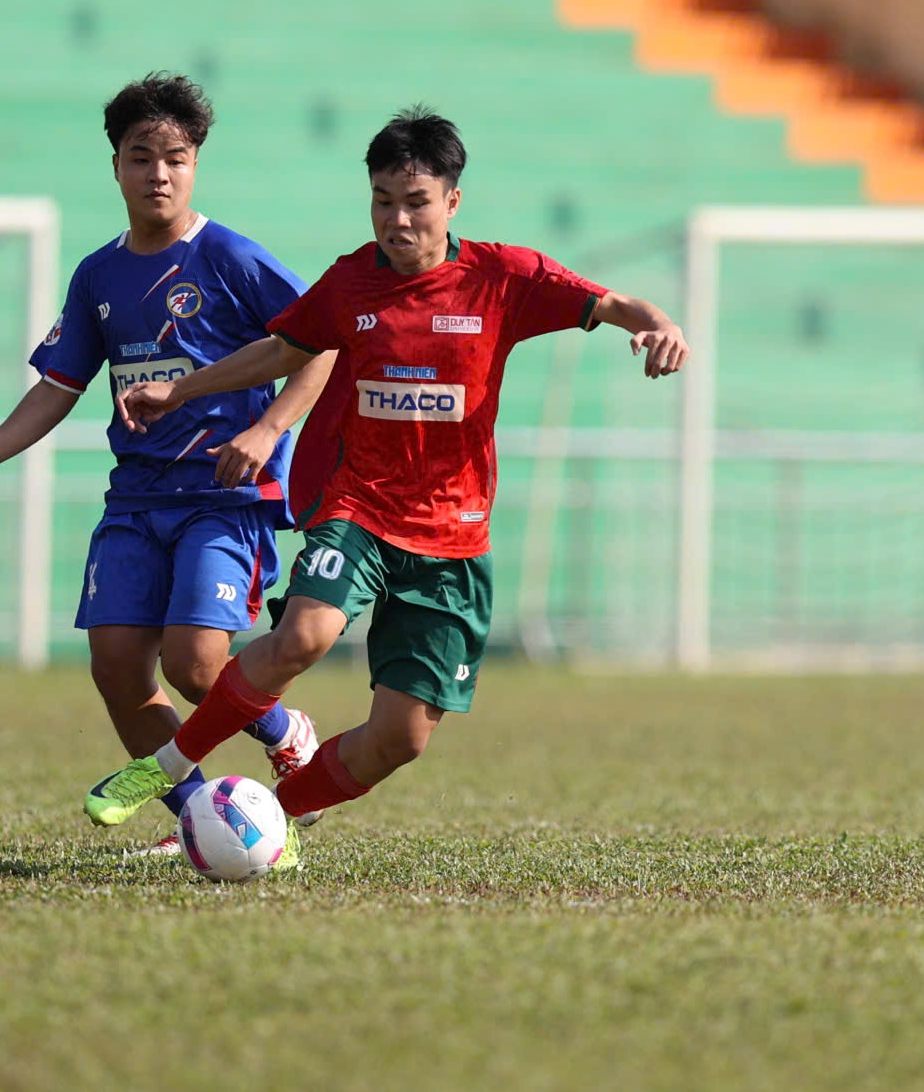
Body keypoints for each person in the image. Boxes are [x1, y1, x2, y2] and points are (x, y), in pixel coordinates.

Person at [83, 106, 690, 857]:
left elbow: (612, 304)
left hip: (453, 536)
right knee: (302, 634)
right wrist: (179, 391)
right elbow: (280, 351)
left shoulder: (505, 277)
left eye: (415, 203)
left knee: (400, 738)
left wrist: (658, 324)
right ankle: (164, 767)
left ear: (452, 202)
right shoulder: (350, 282)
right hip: (359, 507)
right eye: (381, 201)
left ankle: (271, 822)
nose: (396, 220)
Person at [0, 74, 334, 854]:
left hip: (221, 496)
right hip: (137, 500)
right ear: (114, 164)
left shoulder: (229, 257)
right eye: (141, 157)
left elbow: (319, 345)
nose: (158, 174)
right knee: (116, 664)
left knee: (195, 665)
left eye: (174, 159)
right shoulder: (97, 275)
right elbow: (57, 387)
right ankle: (198, 818)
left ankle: (285, 731)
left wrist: (268, 429)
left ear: (195, 165)